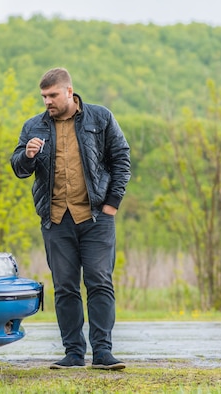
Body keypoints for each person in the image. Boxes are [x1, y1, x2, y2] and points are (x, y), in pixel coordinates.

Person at [10, 68, 131, 370]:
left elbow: (121, 159)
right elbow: (18, 168)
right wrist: (27, 155)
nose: (47, 101)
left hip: (95, 217)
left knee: (99, 282)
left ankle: (103, 352)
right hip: (55, 219)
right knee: (64, 287)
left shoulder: (100, 118)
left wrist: (112, 205)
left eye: (52, 95)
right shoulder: (33, 126)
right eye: (43, 96)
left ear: (68, 91)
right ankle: (74, 353)